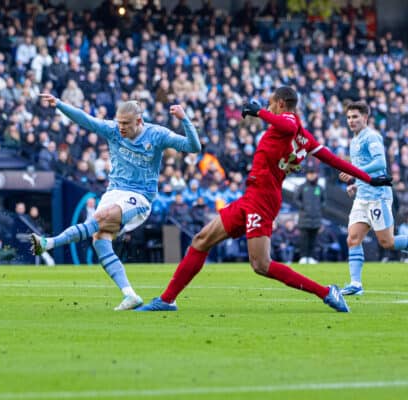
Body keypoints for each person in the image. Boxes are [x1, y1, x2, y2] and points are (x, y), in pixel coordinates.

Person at [137, 86, 392, 313]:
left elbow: (288, 125)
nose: (268, 107)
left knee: (261, 264)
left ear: (281, 103)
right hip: (252, 195)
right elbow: (333, 159)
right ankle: (167, 299)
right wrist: (369, 179)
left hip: (263, 199)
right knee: (202, 240)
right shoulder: (304, 138)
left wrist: (260, 113)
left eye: (270, 103)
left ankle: (326, 292)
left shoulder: (289, 123)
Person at [31, 93, 201, 310]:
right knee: (99, 239)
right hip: (114, 191)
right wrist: (60, 105)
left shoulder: (156, 135)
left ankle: (49, 243)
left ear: (139, 121)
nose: (121, 127)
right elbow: (86, 120)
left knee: (101, 217)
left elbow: (193, 147)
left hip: (140, 197)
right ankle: (129, 294)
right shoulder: (112, 130)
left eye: (126, 124)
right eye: (119, 122)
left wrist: (184, 119)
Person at [338, 101, 408, 295]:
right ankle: (355, 284)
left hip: (378, 197)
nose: (351, 121)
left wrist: (354, 173)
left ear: (365, 118)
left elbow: (380, 162)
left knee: (388, 242)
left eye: (355, 117)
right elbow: (365, 171)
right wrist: (356, 184)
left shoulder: (372, 137)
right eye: (349, 117)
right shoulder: (354, 140)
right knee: (353, 238)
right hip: (362, 197)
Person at [295, 166, 325, 264]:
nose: (311, 176)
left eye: (313, 174)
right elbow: (296, 199)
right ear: (307, 175)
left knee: (314, 239)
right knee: (304, 239)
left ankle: (311, 257)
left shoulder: (319, 188)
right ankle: (303, 257)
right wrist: (303, 207)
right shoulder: (302, 187)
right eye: (310, 174)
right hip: (304, 218)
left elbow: (324, 201)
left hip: (316, 218)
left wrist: (318, 208)